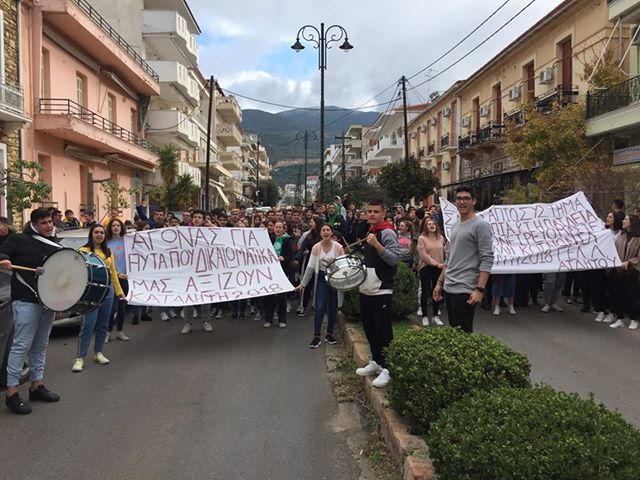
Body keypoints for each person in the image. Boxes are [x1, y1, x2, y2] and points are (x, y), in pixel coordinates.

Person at [0, 208, 61, 414]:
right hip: (26, 300)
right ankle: (11, 392)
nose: (49, 226)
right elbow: (2, 252)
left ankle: (37, 385)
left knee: (40, 345)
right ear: (34, 223)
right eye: (44, 223)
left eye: (50, 222)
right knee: (20, 346)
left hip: (48, 302)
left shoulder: (54, 243)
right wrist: (4, 259)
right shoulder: (18, 240)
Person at [433, 186, 494, 333]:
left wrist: (479, 289)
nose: (462, 202)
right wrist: (440, 282)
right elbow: (450, 256)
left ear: (474, 201)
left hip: (465, 287)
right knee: (454, 332)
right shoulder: (456, 225)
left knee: (463, 333)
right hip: (450, 285)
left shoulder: (481, 226)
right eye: (459, 199)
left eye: (466, 198)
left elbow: (487, 258)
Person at [354, 200, 399, 388]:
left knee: (383, 330)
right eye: (369, 211)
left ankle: (388, 368)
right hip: (367, 287)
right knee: (370, 328)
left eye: (375, 211)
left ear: (383, 213)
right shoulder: (370, 231)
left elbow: (394, 259)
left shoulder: (387, 232)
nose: (371, 214)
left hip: (381, 288)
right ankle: (376, 362)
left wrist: (378, 246)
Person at [72, 224, 125, 372]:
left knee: (103, 324)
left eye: (102, 232)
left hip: (107, 292)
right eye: (96, 232)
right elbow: (76, 273)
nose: (99, 235)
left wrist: (119, 293)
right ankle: (80, 358)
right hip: (89, 292)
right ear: (91, 234)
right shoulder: (82, 251)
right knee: (88, 325)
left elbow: (113, 273)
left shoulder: (108, 252)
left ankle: (98, 352)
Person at [296, 225, 344, 348]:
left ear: (332, 233)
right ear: (320, 233)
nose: (326, 232)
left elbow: (344, 266)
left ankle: (329, 333)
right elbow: (310, 267)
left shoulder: (338, 247)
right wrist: (303, 284)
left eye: (328, 230)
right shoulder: (316, 247)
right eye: (323, 230)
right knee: (320, 306)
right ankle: (316, 336)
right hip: (322, 278)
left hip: (335, 279)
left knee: (333, 307)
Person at [608, 214, 640, 330]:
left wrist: (630, 262)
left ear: (633, 222)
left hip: (631, 272)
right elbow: (614, 249)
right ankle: (619, 318)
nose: (623, 221)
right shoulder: (622, 235)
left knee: (632, 296)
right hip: (618, 270)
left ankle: (633, 319)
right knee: (618, 294)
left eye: (626, 219)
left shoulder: (638, 238)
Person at [264, 221, 294, 328]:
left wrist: (284, 258)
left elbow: (291, 255)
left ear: (283, 229)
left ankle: (282, 319)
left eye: (280, 227)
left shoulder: (287, 240)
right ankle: (268, 319)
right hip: (270, 271)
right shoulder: (269, 239)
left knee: (281, 296)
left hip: (283, 270)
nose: (277, 229)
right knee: (269, 296)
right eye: (276, 227)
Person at [417, 218, 446, 327]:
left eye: (433, 224)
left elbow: (444, 251)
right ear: (425, 226)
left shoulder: (441, 238)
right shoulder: (422, 238)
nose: (432, 225)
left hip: (439, 267)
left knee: (437, 290)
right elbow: (424, 255)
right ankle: (425, 316)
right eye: (429, 224)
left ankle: (435, 315)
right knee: (425, 291)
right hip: (426, 266)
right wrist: (436, 263)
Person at [105, 219, 130, 342]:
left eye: (118, 225)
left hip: (125, 279)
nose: (116, 227)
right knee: (111, 307)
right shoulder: (106, 243)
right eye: (113, 225)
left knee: (122, 307)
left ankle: (120, 331)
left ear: (121, 227)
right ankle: (108, 332)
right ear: (110, 228)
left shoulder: (128, 241)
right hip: (113, 278)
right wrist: (117, 273)